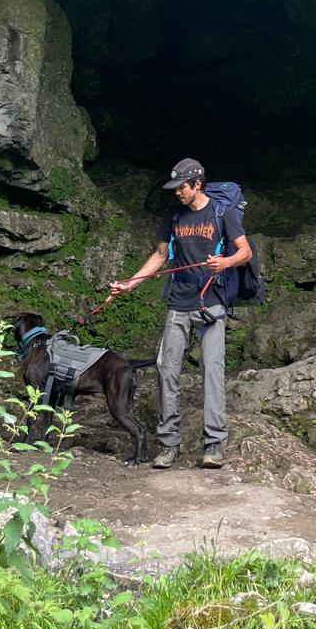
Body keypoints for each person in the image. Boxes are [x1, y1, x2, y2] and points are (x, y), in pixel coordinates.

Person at [107, 157, 252, 469]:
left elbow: (245, 251)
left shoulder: (221, 212)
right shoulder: (173, 218)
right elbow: (161, 255)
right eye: (174, 188)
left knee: (212, 371)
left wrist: (224, 263)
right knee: (166, 369)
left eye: (181, 187)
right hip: (179, 301)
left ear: (197, 184)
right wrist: (129, 284)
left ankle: (213, 446)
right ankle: (168, 445)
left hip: (212, 302)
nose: (176, 192)